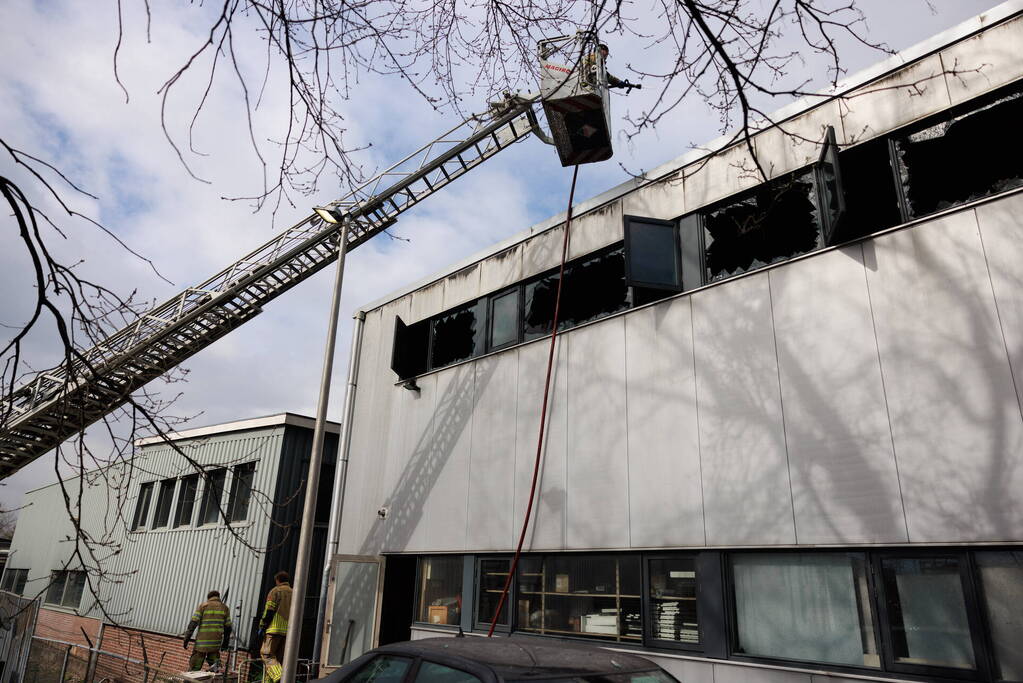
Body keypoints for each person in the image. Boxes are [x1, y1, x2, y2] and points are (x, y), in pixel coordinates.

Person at [183, 590, 232, 672]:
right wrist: (225, 644)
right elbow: (228, 628)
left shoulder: (203, 606)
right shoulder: (225, 608)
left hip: (201, 645)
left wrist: (186, 640)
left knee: (194, 669)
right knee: (214, 668)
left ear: (209, 597)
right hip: (215, 645)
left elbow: (193, 624)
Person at [258, 571, 293, 683]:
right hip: (288, 632)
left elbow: (269, 610)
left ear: (277, 580)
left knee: (267, 655)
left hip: (274, 629)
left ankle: (280, 677)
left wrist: (262, 625)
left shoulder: (275, 591)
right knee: (277, 659)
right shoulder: (294, 592)